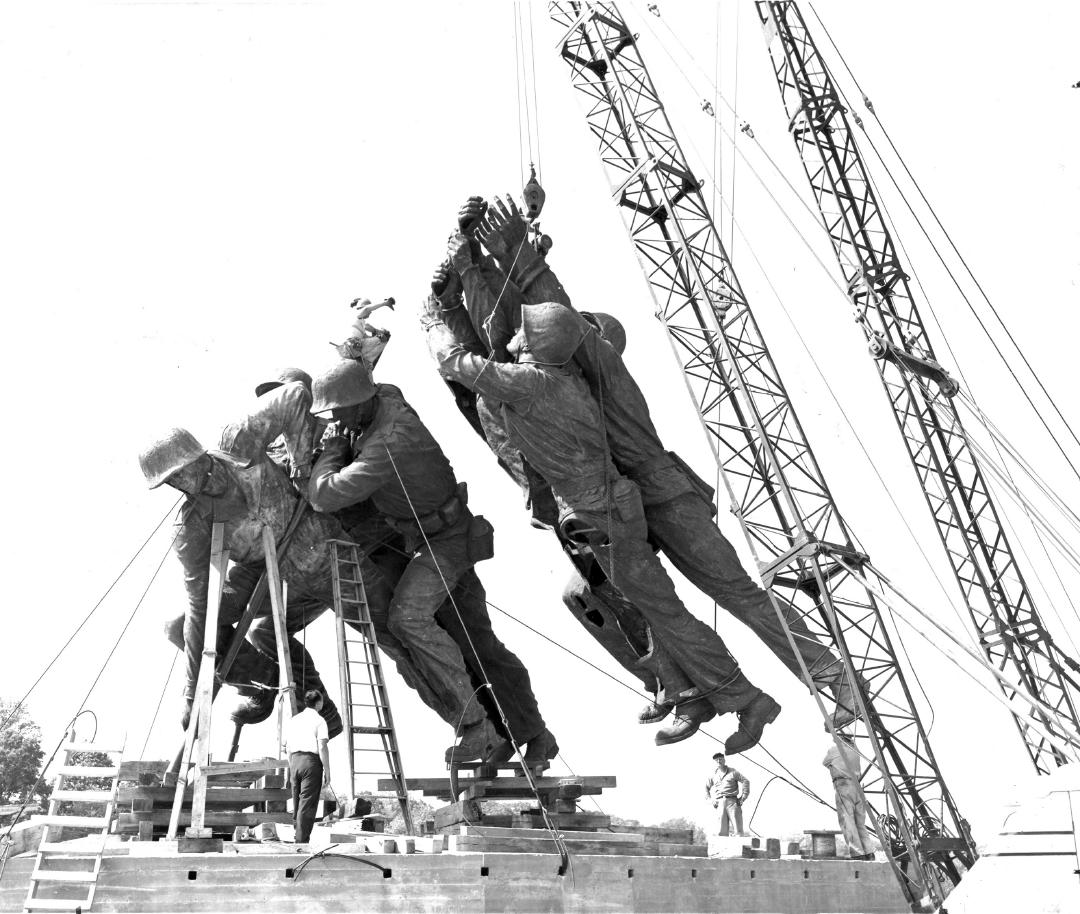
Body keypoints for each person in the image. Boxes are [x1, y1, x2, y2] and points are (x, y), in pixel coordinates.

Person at [424, 298, 781, 754]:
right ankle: (701, 691)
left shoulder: (536, 383)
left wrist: (439, 318)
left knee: (663, 612)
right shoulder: (560, 380)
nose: (515, 333)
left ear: (540, 346)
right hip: (595, 511)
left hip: (599, 513)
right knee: (631, 605)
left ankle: (736, 696)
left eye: (526, 332)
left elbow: (457, 359)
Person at [307, 359, 558, 770]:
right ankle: (507, 733)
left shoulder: (388, 441)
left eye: (339, 410)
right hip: (421, 540)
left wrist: (333, 450)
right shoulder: (385, 398)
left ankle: (521, 733)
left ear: (360, 402)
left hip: (446, 540)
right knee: (465, 639)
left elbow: (323, 495)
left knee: (426, 625)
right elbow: (374, 377)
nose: (334, 419)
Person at [141, 381, 384, 737]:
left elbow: (294, 396)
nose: (183, 482)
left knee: (274, 630)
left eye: (183, 469)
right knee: (178, 626)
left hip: (318, 552)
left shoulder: (240, 446)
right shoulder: (189, 527)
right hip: (260, 571)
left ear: (199, 455)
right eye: (172, 479)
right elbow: (199, 608)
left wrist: (303, 471)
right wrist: (193, 693)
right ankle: (265, 680)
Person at [284, 689, 331, 844]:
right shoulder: (319, 721)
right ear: (318, 703)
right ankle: (301, 842)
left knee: (296, 802)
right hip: (311, 763)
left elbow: (287, 747)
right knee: (307, 803)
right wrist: (328, 771)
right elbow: (322, 746)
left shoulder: (293, 720)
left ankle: (297, 835)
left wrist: (291, 767)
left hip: (294, 761)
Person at [823, 733, 874, 860]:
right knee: (860, 823)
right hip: (857, 788)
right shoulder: (855, 751)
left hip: (843, 786)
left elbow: (825, 762)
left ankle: (857, 854)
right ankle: (869, 852)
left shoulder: (834, 750)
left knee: (847, 821)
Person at [706, 751, 750, 837]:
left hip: (732, 802)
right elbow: (706, 788)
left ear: (724, 760)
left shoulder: (733, 772)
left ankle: (740, 849)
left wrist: (743, 797)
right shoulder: (713, 776)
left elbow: (745, 781)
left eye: (720, 759)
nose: (719, 761)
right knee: (721, 832)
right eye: (716, 760)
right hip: (720, 803)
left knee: (738, 831)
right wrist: (711, 800)